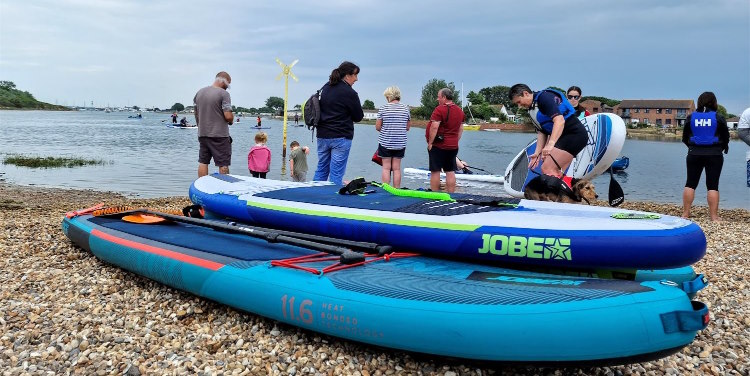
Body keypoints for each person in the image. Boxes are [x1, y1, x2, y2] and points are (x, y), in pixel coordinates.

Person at [509, 83, 588, 178]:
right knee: (554, 172)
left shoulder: (544, 98)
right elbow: (542, 132)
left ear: (525, 93)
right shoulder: (532, 109)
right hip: (564, 137)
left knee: (547, 169)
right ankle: (562, 192)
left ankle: (556, 192)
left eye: (519, 102)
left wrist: (550, 144)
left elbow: (559, 120)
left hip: (574, 135)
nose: (519, 106)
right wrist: (537, 153)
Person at [312, 61, 364, 185]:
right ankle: (332, 200)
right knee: (336, 173)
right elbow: (358, 117)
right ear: (347, 75)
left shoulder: (325, 88)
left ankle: (313, 195)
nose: (356, 79)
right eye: (355, 75)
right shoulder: (350, 93)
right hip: (341, 136)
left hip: (322, 135)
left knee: (321, 168)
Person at [681, 91, 729, 221]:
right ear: (714, 102)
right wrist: (721, 148)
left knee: (690, 183)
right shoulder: (719, 117)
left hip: (694, 153)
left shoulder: (691, 118)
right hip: (714, 154)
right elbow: (726, 137)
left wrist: (692, 148)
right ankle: (713, 216)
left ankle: (686, 213)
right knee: (713, 185)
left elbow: (685, 137)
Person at [194, 71, 234, 177]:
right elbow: (228, 116)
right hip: (219, 135)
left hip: (202, 133)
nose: (228, 87)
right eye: (228, 84)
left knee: (203, 161)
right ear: (223, 81)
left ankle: (202, 187)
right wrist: (231, 120)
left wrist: (200, 126)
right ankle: (224, 187)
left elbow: (196, 114)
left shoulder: (199, 93)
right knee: (223, 163)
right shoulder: (224, 94)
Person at [426, 88, 465, 193]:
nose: (438, 99)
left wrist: (430, 143)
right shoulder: (460, 111)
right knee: (450, 171)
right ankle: (451, 194)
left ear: (444, 97)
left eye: (438, 97)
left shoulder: (439, 109)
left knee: (435, 171)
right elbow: (461, 129)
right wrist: (455, 141)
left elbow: (434, 127)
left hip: (439, 145)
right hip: (453, 146)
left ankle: (435, 194)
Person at [375, 85, 411, 188]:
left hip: (385, 142)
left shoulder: (383, 108)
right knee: (396, 168)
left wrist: (387, 130)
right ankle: (396, 190)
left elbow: (378, 127)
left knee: (386, 168)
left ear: (389, 96)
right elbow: (407, 127)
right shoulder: (405, 108)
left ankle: (386, 189)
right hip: (400, 143)